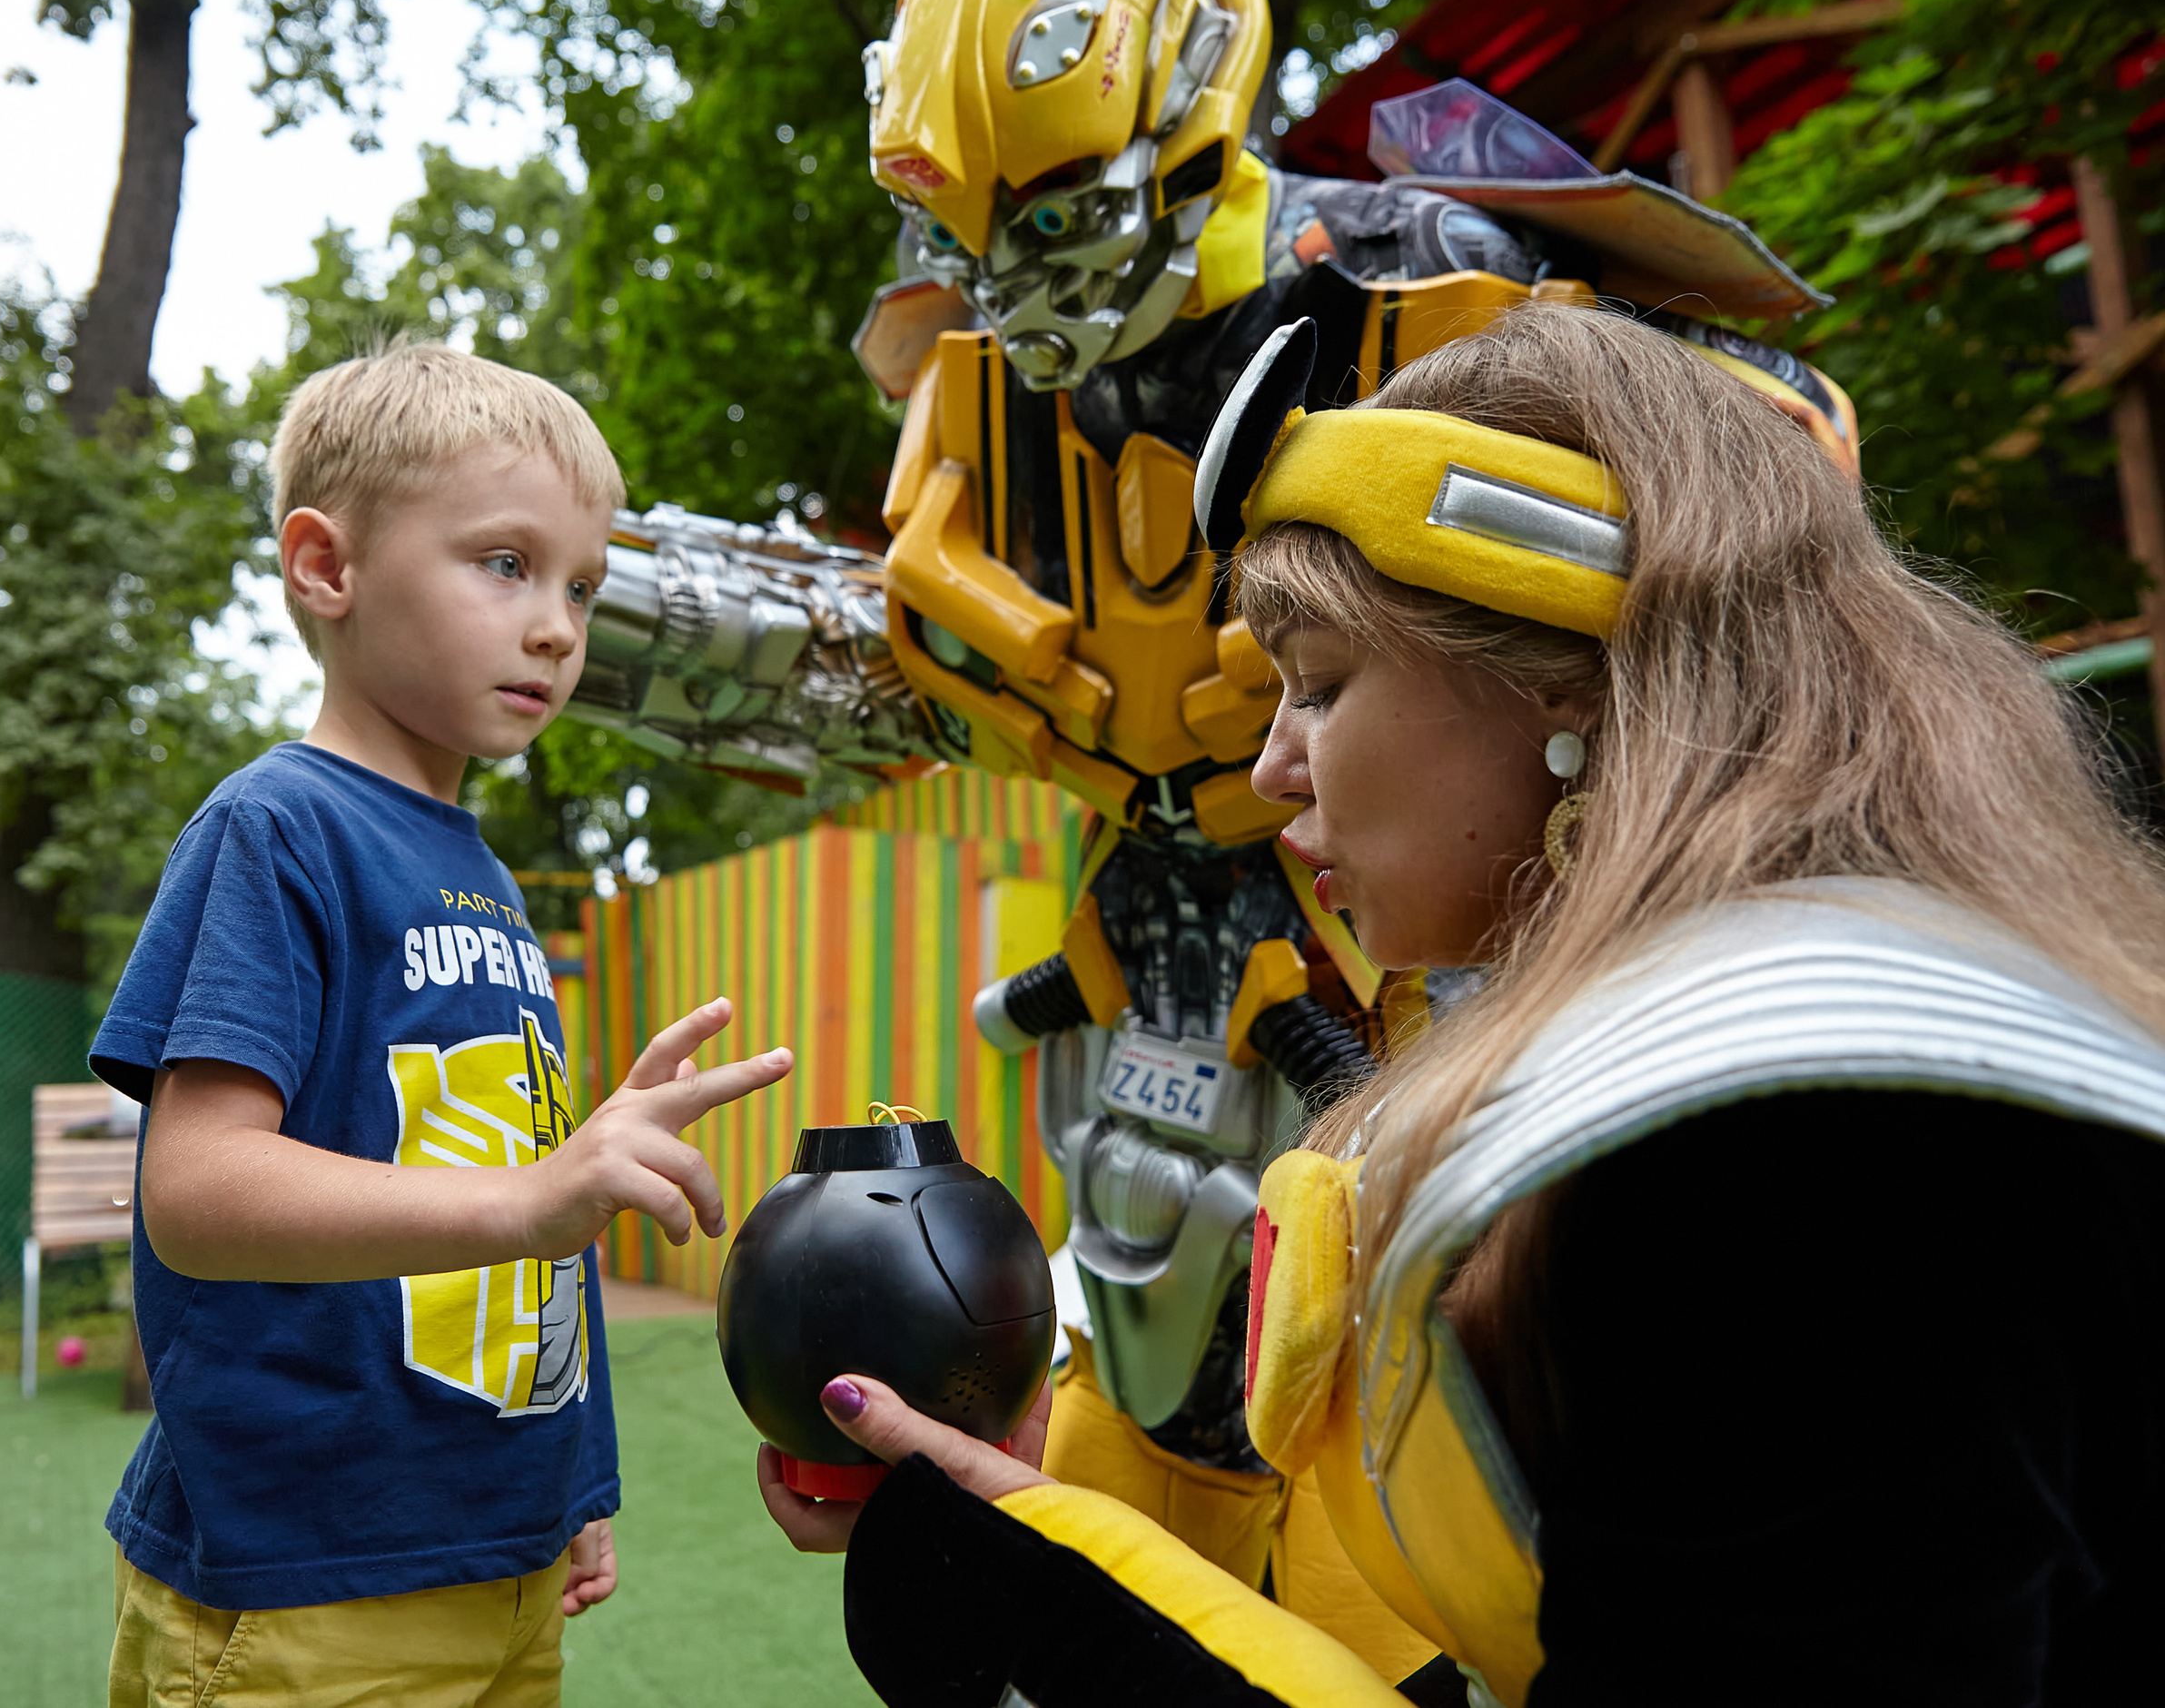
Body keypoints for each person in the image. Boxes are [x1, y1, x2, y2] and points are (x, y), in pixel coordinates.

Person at [758, 302, 2165, 1705]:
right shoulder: (1828, 1044)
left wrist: (1018, 1604)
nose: (1271, 769)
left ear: (1562, 670)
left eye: (1319, 681)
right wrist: (1015, 1535)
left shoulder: (1803, 1147)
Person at [91, 343, 793, 1707]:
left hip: (493, 1555)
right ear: (327, 566)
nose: (558, 626)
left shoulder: (481, 874)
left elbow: (513, 1212)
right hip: (306, 1583)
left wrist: (565, 1480)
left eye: (582, 586)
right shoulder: (276, 830)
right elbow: (197, 1190)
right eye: (505, 563)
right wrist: (536, 1193)